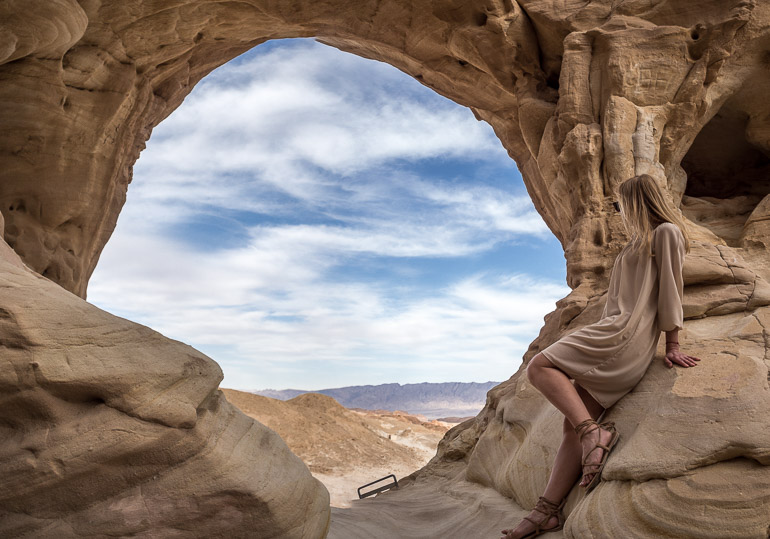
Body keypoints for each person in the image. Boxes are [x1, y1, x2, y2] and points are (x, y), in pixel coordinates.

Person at [500, 174, 701, 539]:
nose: (620, 210)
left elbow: (673, 290)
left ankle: (594, 434)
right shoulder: (634, 244)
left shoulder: (666, 233)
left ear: (638, 201)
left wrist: (672, 344)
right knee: (569, 424)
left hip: (626, 337)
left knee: (540, 366)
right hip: (613, 331)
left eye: (622, 203)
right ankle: (545, 513)